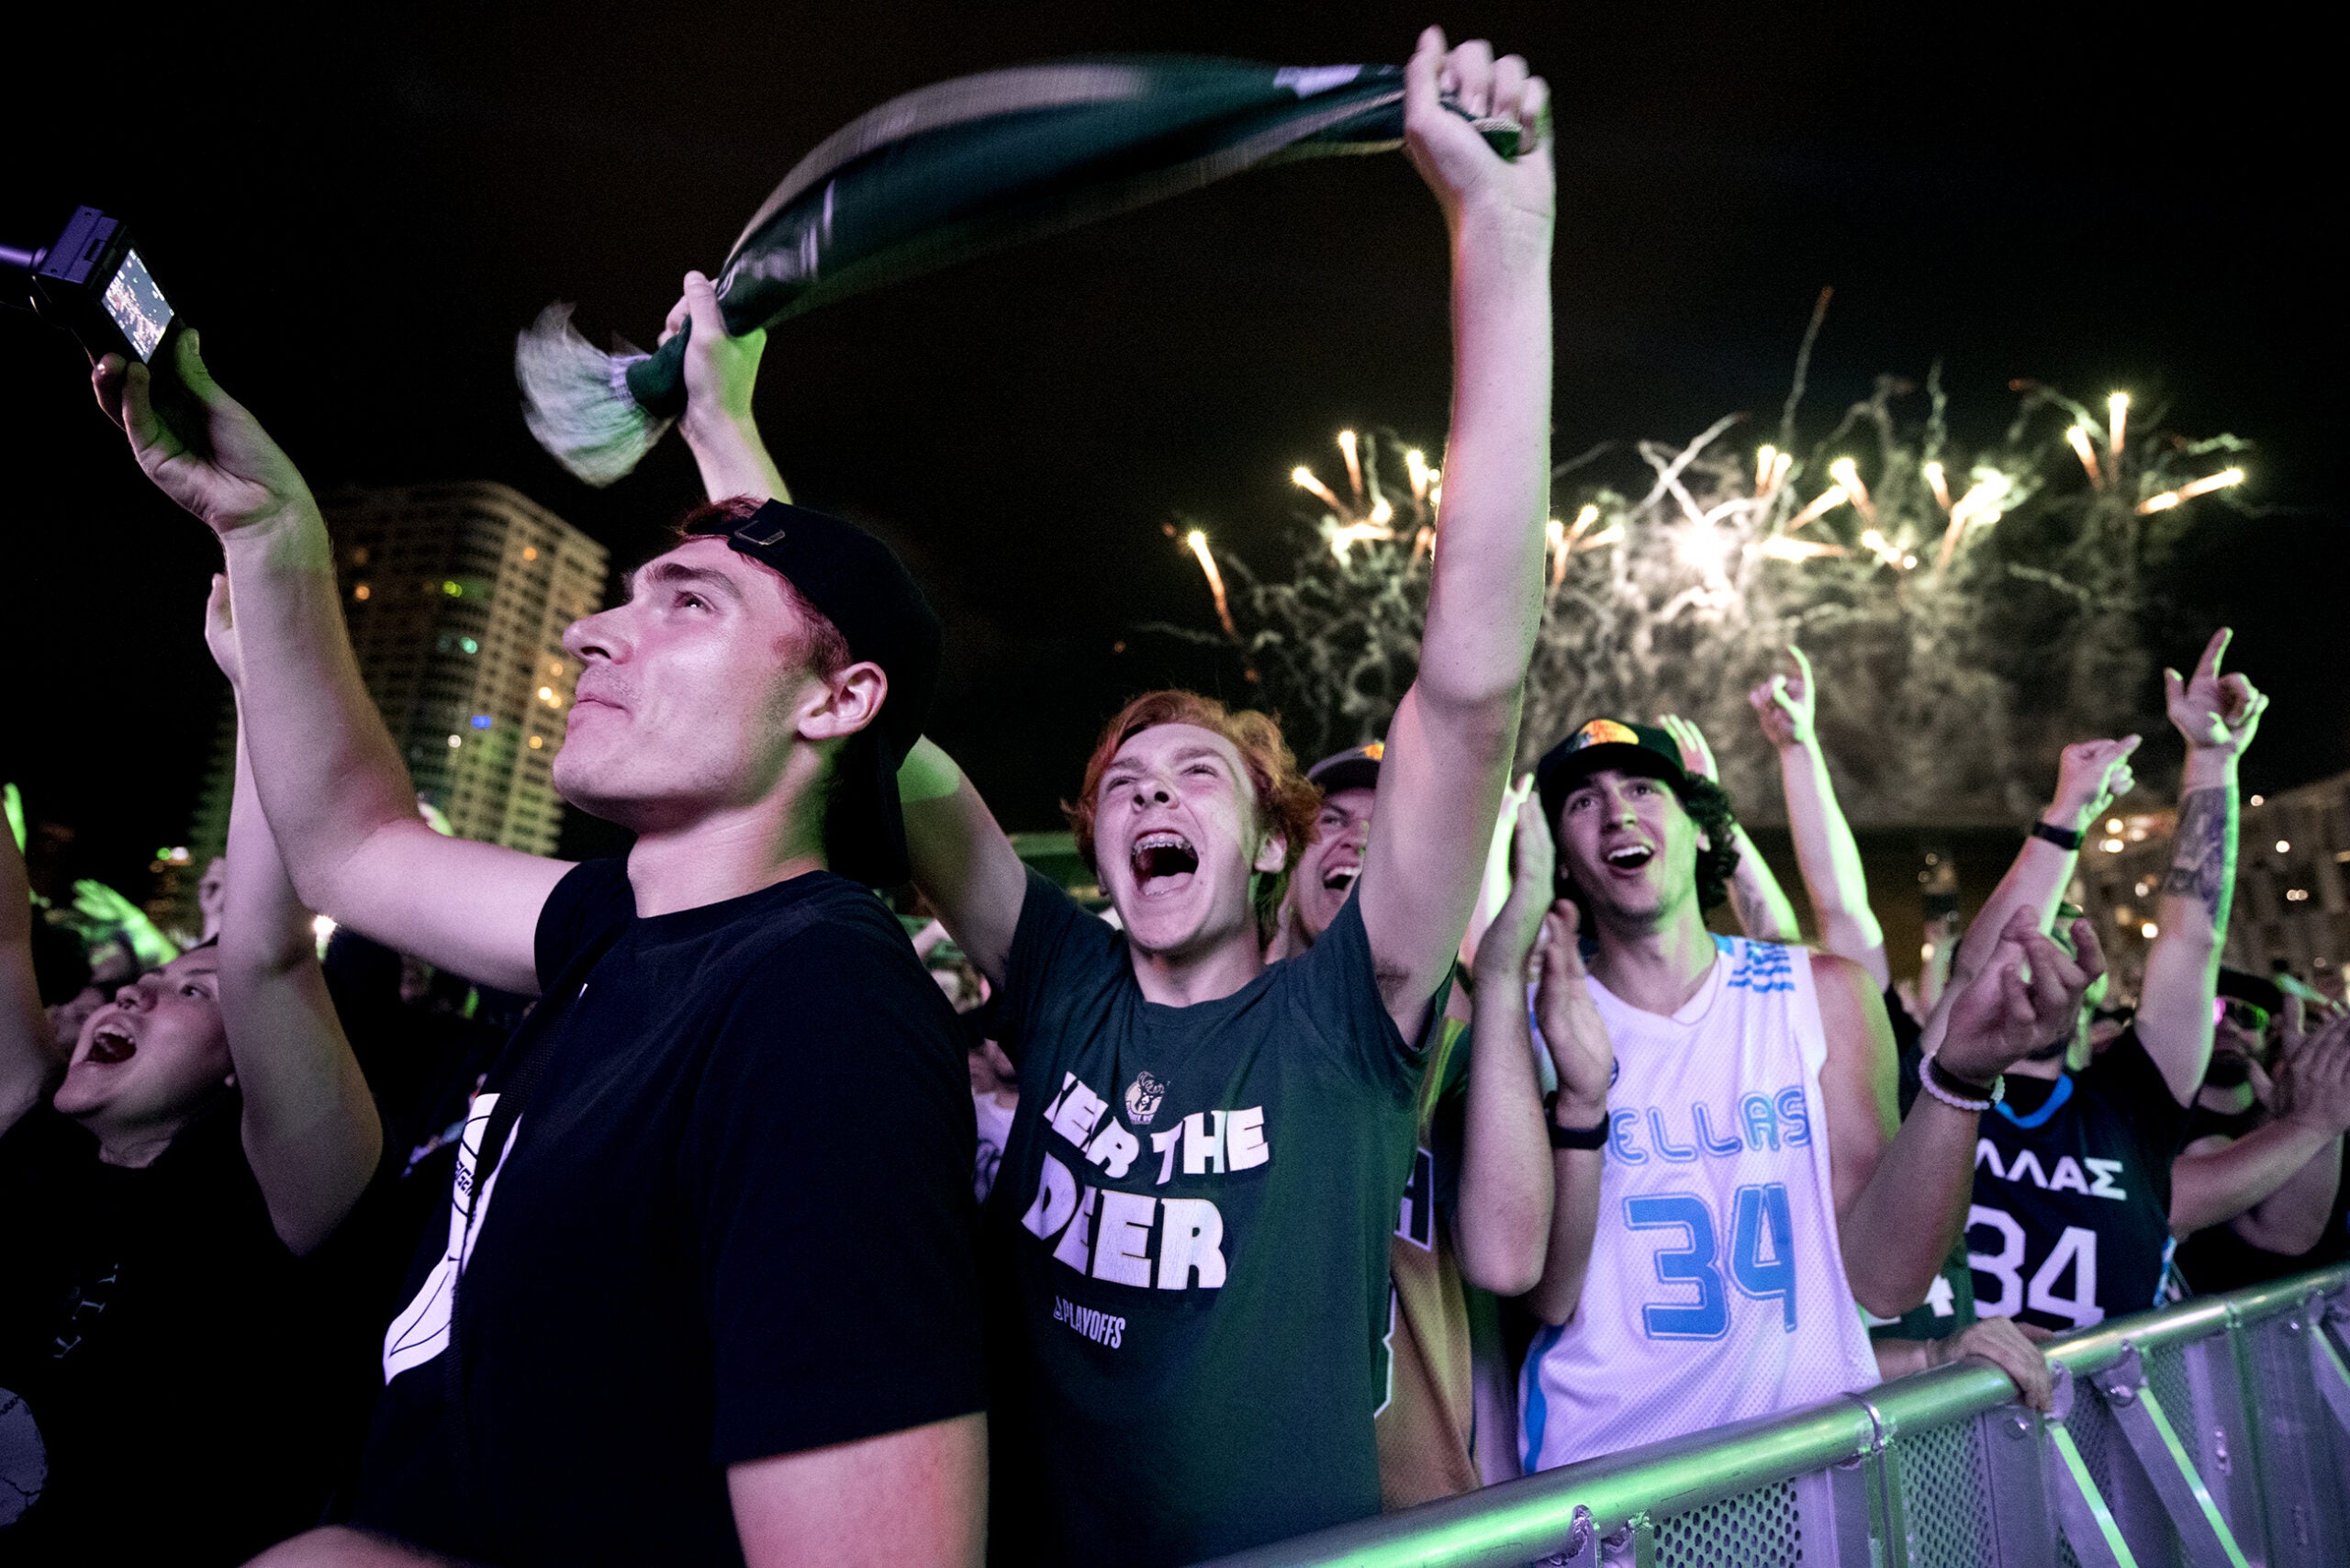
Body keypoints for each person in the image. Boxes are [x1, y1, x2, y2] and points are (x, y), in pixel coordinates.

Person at [682, 32, 1550, 1562]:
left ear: (1270, 841)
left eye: (1197, 773)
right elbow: (868, 703)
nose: (1153, 792)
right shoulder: (1066, 980)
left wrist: (1502, 236)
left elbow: (1470, 693)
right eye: (1123, 784)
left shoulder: (1344, 1023)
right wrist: (721, 434)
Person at [90, 289, 986, 1562]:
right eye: (627, 597)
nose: (587, 631)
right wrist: (270, 529)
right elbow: (354, 845)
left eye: (687, 604)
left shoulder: (820, 1005)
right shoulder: (612, 926)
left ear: (838, 704)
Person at [1515, 717, 2097, 1470]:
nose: (1618, 813)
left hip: (1808, 1466)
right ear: (1562, 858)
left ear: (1702, 829)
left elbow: (1884, 1280)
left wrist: (1963, 1078)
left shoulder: (1820, 995)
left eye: (1642, 789)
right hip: (1605, 1476)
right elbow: (1540, 1293)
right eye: (1583, 802)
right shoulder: (1533, 1024)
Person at [0, 586, 386, 1566]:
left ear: (249, 1064)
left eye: (193, 993)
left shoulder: (275, 1203)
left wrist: (262, 678)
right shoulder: (29, 1135)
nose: (136, 990)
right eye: (155, 976)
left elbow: (264, 952)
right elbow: (4, 933)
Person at [1732, 655, 2067, 1391]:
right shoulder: (1740, 1128)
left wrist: (2067, 817)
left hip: (1941, 1405)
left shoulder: (1913, 1085)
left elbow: (1845, 907)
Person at [1953, 632, 2285, 1331]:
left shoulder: (2131, 1104)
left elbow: (2191, 942)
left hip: (2107, 1403)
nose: (2042, 949)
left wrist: (2212, 762)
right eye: (2027, 932)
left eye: (2065, 936)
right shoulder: (1929, 1089)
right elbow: (1972, 967)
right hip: (1949, 1402)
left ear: (2093, 985)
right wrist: (2066, 816)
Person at [1276, 744, 1552, 1506]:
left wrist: (1499, 975)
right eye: (1331, 820)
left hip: (1418, 1517)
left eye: (1389, 824)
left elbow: (1510, 1259)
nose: (1358, 840)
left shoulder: (1456, 1048)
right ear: (1283, 856)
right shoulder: (1218, 1027)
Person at [2172, 979, 2350, 1293]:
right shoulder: (2164, 1129)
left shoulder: (2300, 1104)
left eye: (2247, 1016)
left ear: (2268, 1033)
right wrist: (2317, 1117)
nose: (2228, 1025)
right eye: (2211, 1011)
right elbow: (2287, 1235)